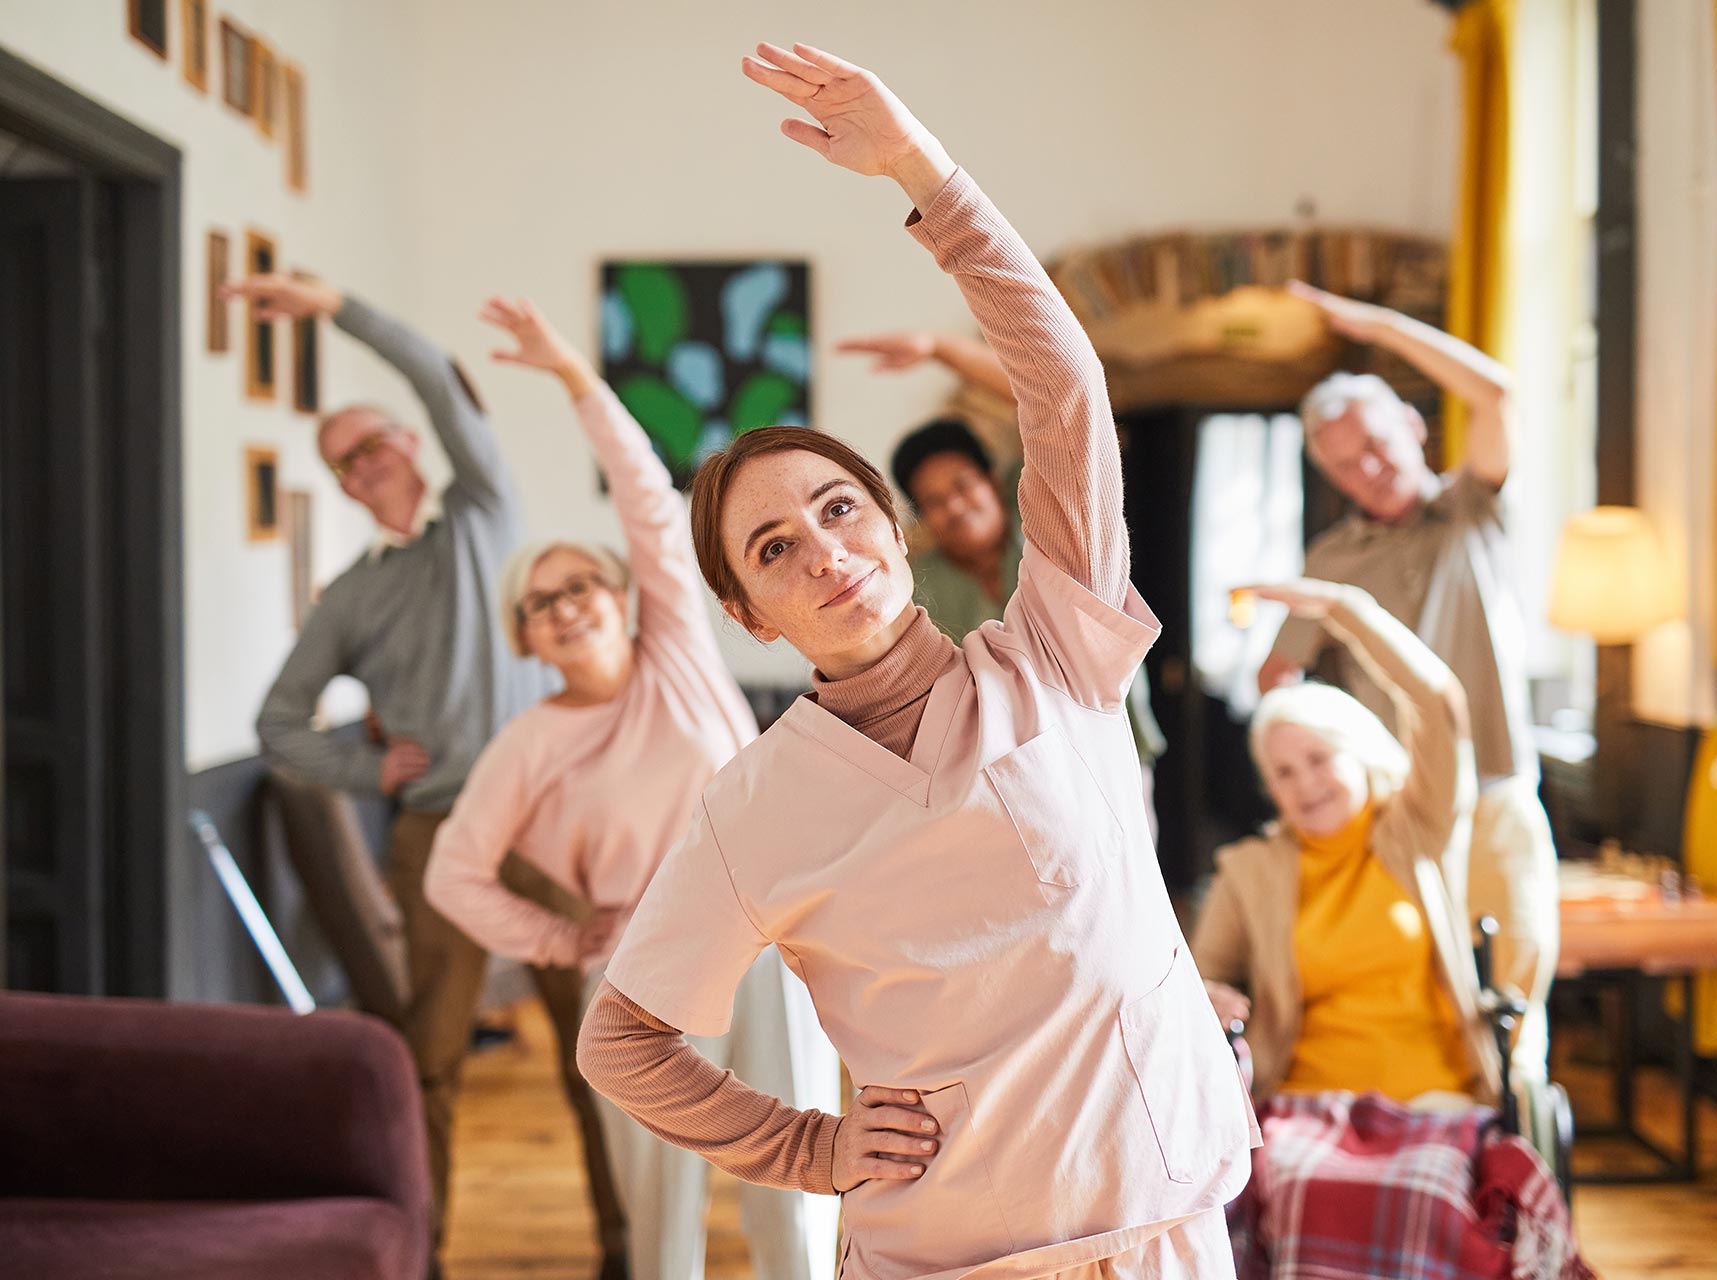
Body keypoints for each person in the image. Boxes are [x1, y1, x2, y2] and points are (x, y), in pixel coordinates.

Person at [578, 42, 1255, 1280]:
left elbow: (1065, 390)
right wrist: (808, 1144)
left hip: (1158, 1218)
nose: (824, 551)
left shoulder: (1053, 648)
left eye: (839, 509)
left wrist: (924, 173)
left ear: (894, 529)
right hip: (946, 1250)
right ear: (749, 614)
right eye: (775, 548)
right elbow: (620, 1041)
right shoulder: (753, 804)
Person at [423, 297, 840, 1280]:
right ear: (524, 636)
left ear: (622, 596)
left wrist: (575, 375)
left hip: (769, 936)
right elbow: (453, 874)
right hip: (643, 964)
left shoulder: (678, 656)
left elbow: (648, 497)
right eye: (540, 601)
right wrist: (560, 940)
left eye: (581, 585)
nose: (565, 606)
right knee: (660, 1213)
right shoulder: (526, 744)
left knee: (798, 1190)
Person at [242, 274, 621, 1270]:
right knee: (432, 1067)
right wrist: (364, 770)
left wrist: (335, 308)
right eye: (343, 463)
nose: (361, 466)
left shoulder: (484, 515)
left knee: (601, 1056)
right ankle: (423, 1258)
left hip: (548, 825)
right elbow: (277, 723)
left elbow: (441, 383)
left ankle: (629, 1249)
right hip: (436, 837)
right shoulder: (351, 598)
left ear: (411, 443)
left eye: (371, 443)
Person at [1255, 283, 1558, 1075]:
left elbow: (1496, 394)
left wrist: (1379, 328)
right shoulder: (1330, 560)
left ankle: (1516, 1140)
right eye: (1345, 463)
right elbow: (1279, 678)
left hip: (1495, 794)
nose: (1368, 468)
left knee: (1512, 1018)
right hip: (1397, 817)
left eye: (1377, 443)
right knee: (1422, 1011)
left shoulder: (1472, 509)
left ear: (1415, 427)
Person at [837, 340, 1169, 837]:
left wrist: (940, 350)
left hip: (1111, 746)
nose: (954, 506)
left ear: (992, 481)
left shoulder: (1041, 526)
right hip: (1007, 784)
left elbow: (1053, 404)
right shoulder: (917, 586)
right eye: (934, 501)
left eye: (962, 485)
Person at [1193, 580, 1500, 1107]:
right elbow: (1201, 982)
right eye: (1284, 773)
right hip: (1302, 1107)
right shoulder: (1248, 870)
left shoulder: (1418, 830)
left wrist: (1346, 610)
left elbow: (1439, 704)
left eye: (1319, 759)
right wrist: (1207, 999)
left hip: (1431, 1103)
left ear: (1360, 754)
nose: (1305, 785)